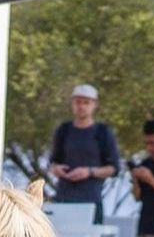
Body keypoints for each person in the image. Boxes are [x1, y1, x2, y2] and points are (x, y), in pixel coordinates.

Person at [48, 84, 120, 224]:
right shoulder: (64, 130)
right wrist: (56, 169)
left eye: (86, 102)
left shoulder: (102, 132)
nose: (81, 106)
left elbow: (113, 168)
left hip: (91, 200)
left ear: (95, 105)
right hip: (64, 198)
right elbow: (53, 162)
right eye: (78, 102)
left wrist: (89, 172)